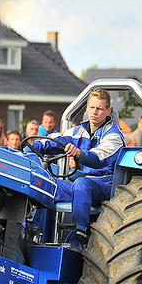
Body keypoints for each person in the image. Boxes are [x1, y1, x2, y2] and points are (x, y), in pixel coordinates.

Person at [29, 88, 124, 251]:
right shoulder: (78, 132)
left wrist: (80, 154)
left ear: (108, 111)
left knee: (81, 183)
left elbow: (98, 158)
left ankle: (80, 233)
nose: (95, 112)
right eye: (92, 107)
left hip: (107, 186)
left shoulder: (114, 135)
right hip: (84, 187)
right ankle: (31, 230)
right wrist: (30, 147)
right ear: (87, 107)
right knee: (42, 181)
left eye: (100, 109)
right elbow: (52, 141)